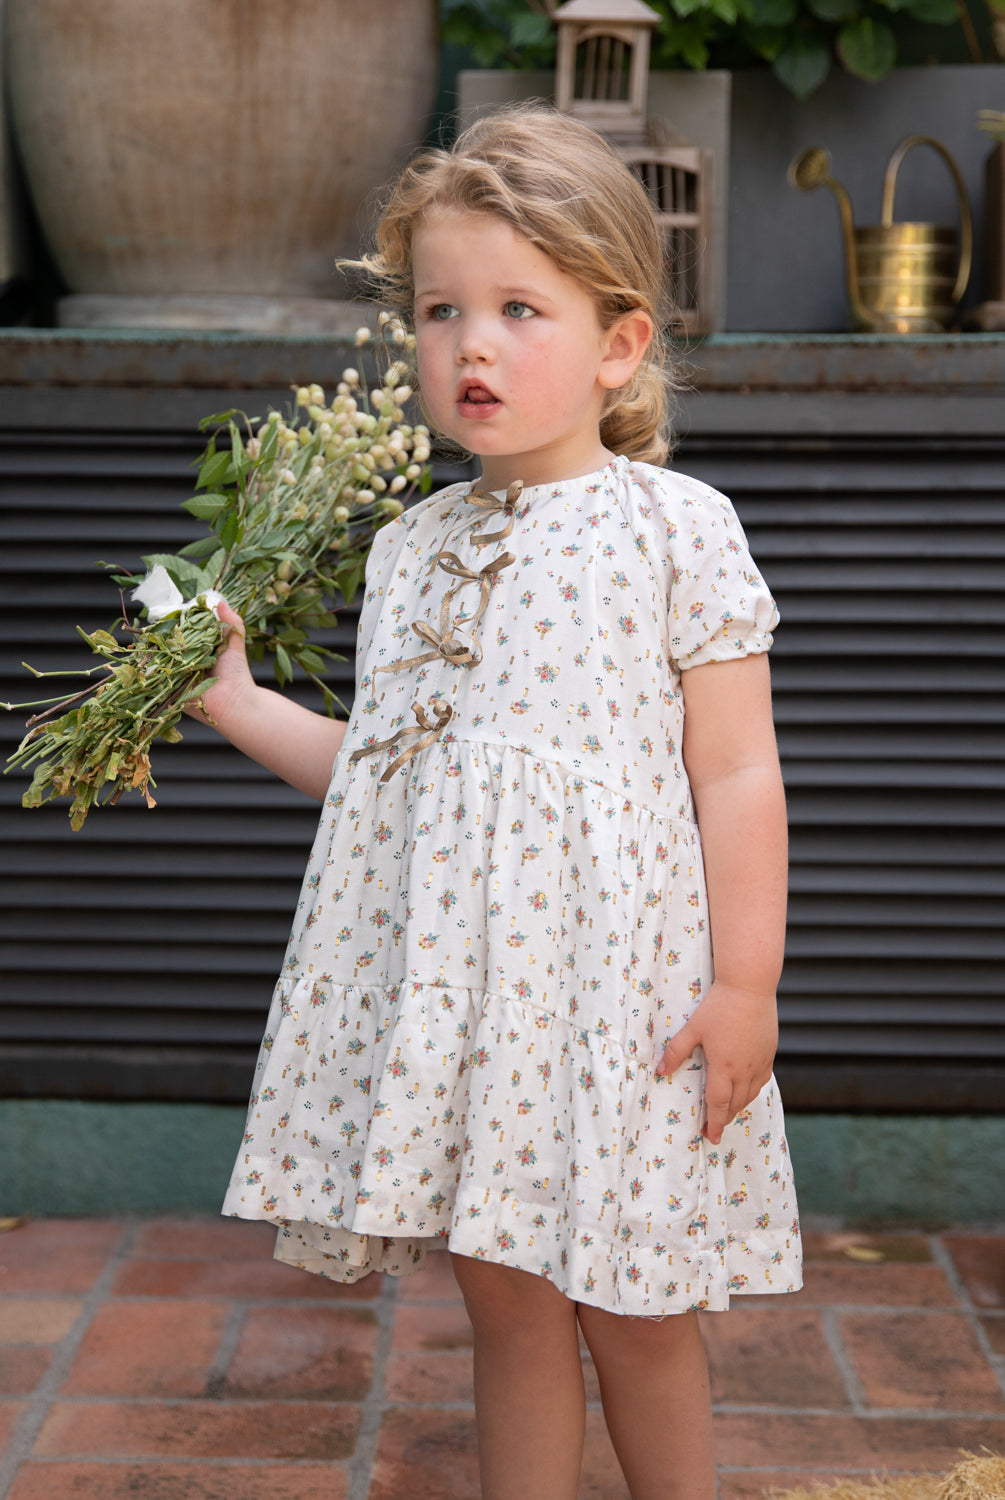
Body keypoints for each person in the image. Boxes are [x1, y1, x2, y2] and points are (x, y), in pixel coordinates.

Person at [200, 105, 801, 1500]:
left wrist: (747, 984)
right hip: (469, 1011)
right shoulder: (412, 548)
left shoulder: (674, 526)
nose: (471, 345)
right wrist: (235, 702)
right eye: (439, 310)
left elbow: (735, 767)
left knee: (637, 1311)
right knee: (506, 1303)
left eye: (520, 309)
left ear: (617, 344)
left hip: (623, 1009)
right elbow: (387, 774)